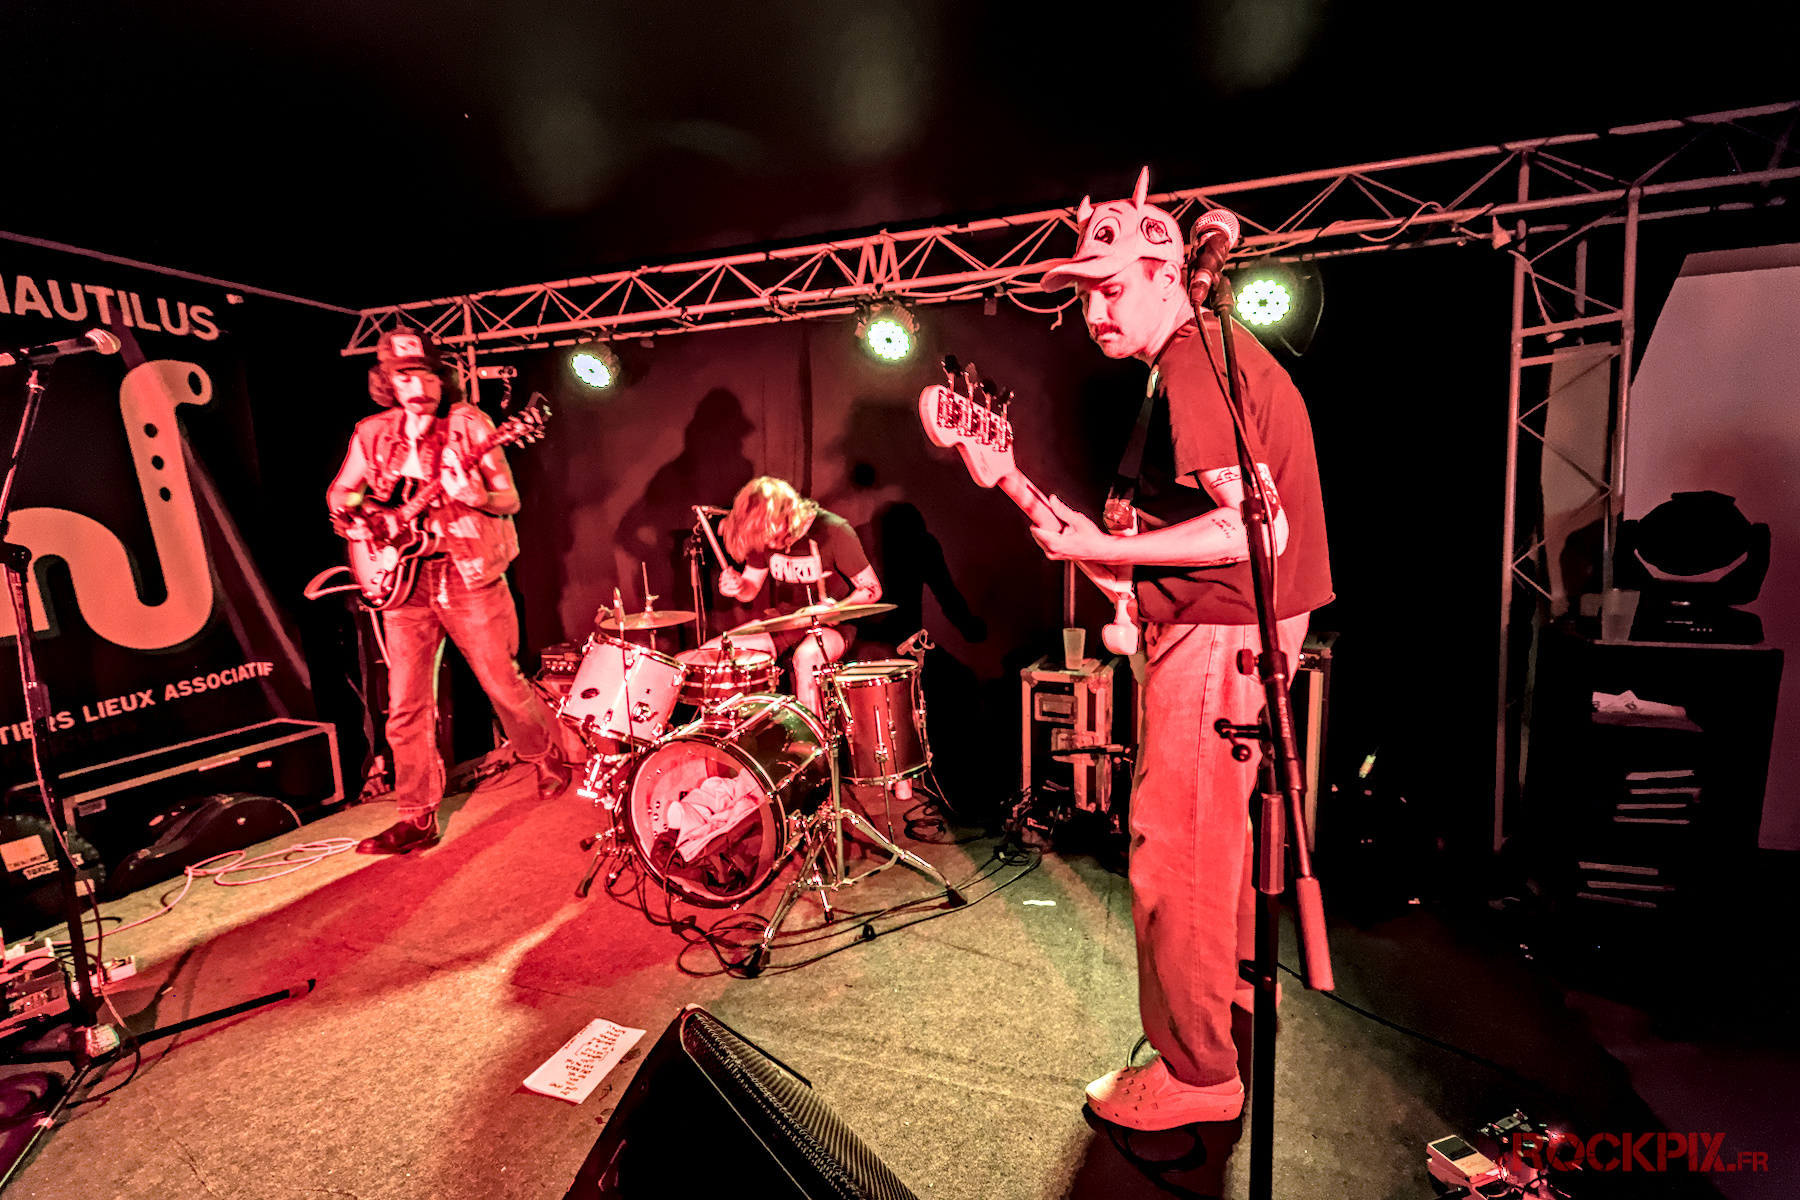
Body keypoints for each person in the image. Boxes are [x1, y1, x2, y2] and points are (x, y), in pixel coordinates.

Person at [1032, 171, 1332, 1129]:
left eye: (1112, 288)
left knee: (1176, 848)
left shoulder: (1194, 362)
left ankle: (1199, 1075)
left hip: (1222, 626)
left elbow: (1258, 527)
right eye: (1085, 293)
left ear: (1170, 275)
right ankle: (1232, 987)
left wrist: (1106, 548)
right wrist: (1116, 554)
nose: (1094, 311)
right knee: (1219, 833)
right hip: (1243, 623)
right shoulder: (1204, 352)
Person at [327, 327, 573, 855]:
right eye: (404, 377)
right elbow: (341, 492)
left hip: (468, 573)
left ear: (441, 379)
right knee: (405, 705)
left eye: (426, 375)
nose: (417, 386)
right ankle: (416, 817)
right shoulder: (373, 433)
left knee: (501, 682)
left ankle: (543, 754)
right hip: (404, 585)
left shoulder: (469, 424)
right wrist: (363, 521)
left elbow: (509, 500)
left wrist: (476, 494)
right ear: (388, 383)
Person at [702, 476, 881, 716]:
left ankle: (813, 736)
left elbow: (871, 589)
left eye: (771, 533)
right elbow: (750, 589)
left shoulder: (834, 530)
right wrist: (738, 587)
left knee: (806, 659)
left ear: (788, 514)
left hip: (832, 625)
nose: (768, 541)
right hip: (785, 621)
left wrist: (835, 610)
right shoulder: (763, 531)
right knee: (712, 655)